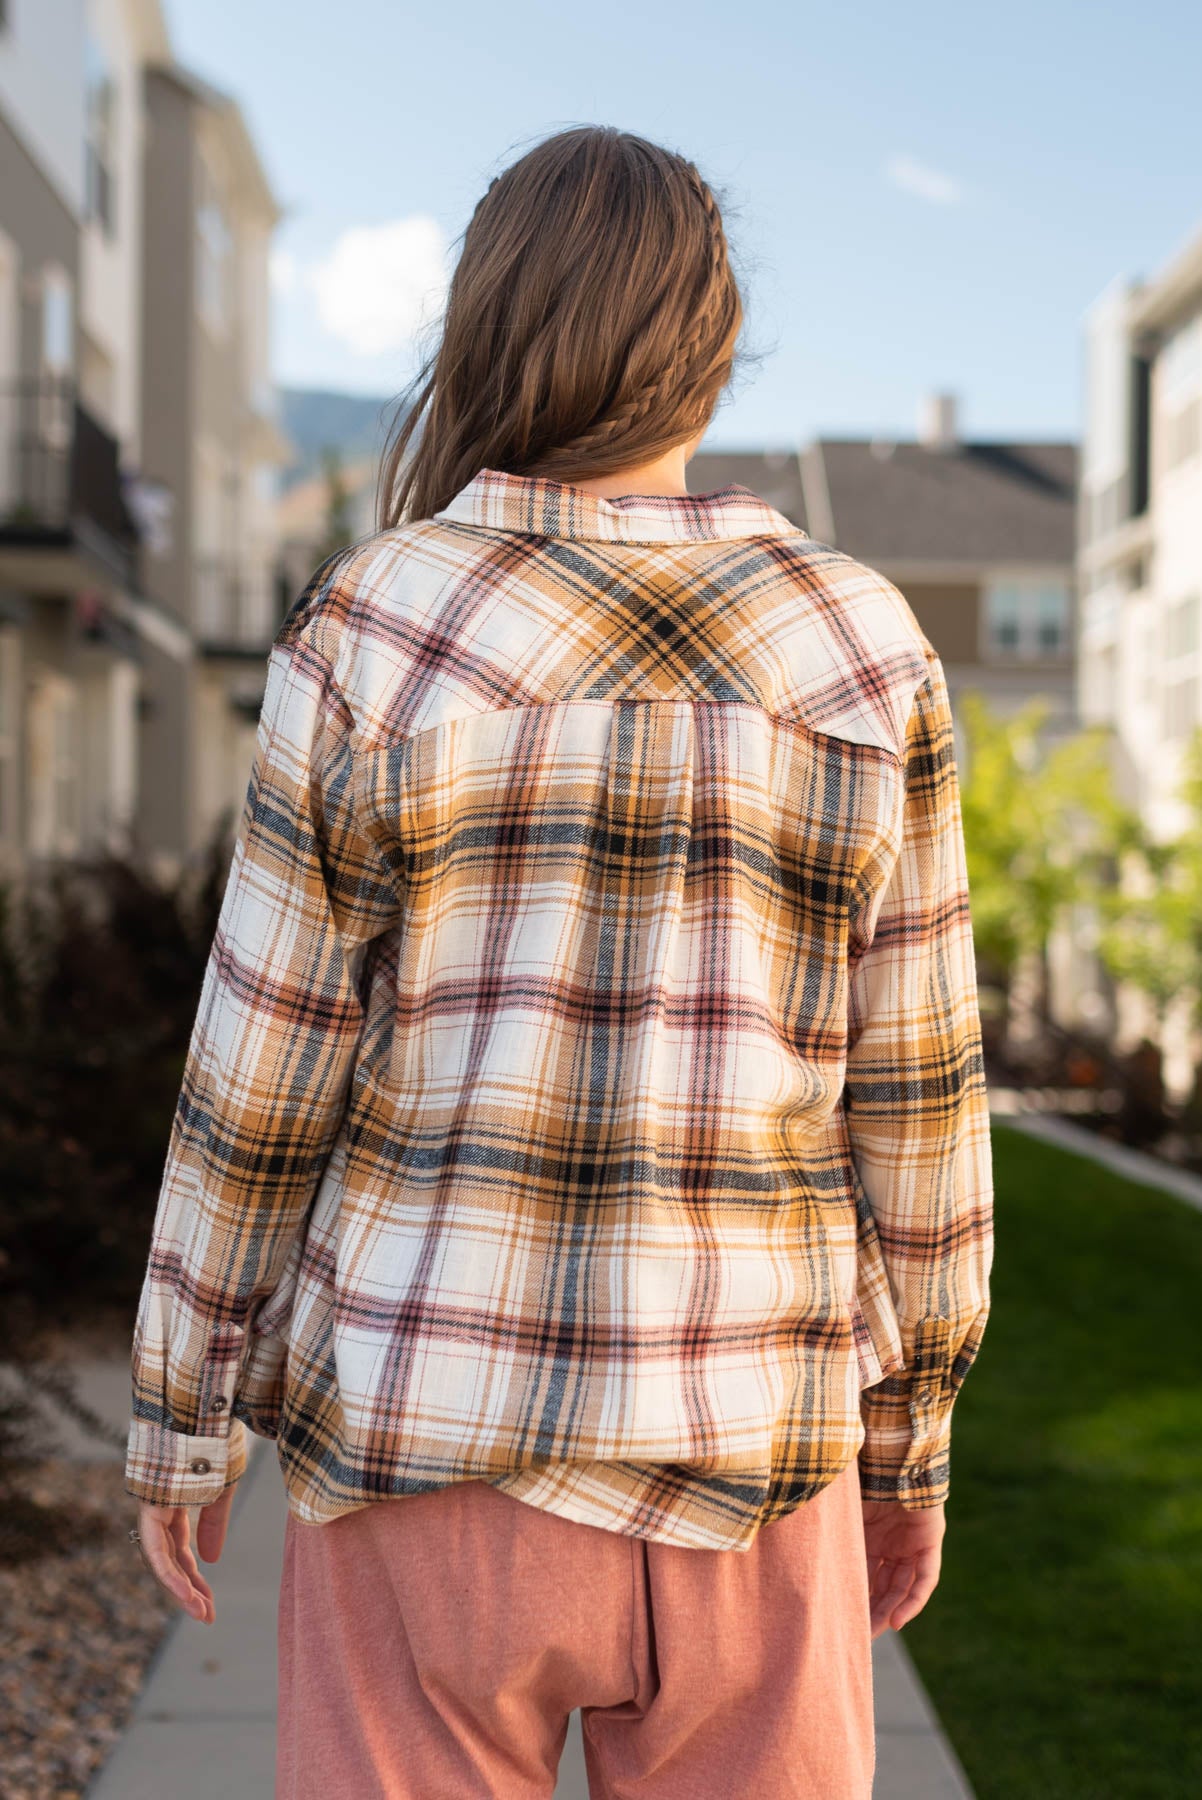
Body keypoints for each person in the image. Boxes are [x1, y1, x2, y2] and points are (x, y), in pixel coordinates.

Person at [124, 124, 994, 1799]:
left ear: (484, 328)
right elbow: (924, 1106)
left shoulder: (371, 627)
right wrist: (914, 1443)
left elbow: (258, 1079)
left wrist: (181, 1408)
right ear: (713, 347)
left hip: (423, 1452)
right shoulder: (860, 640)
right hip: (754, 1448)